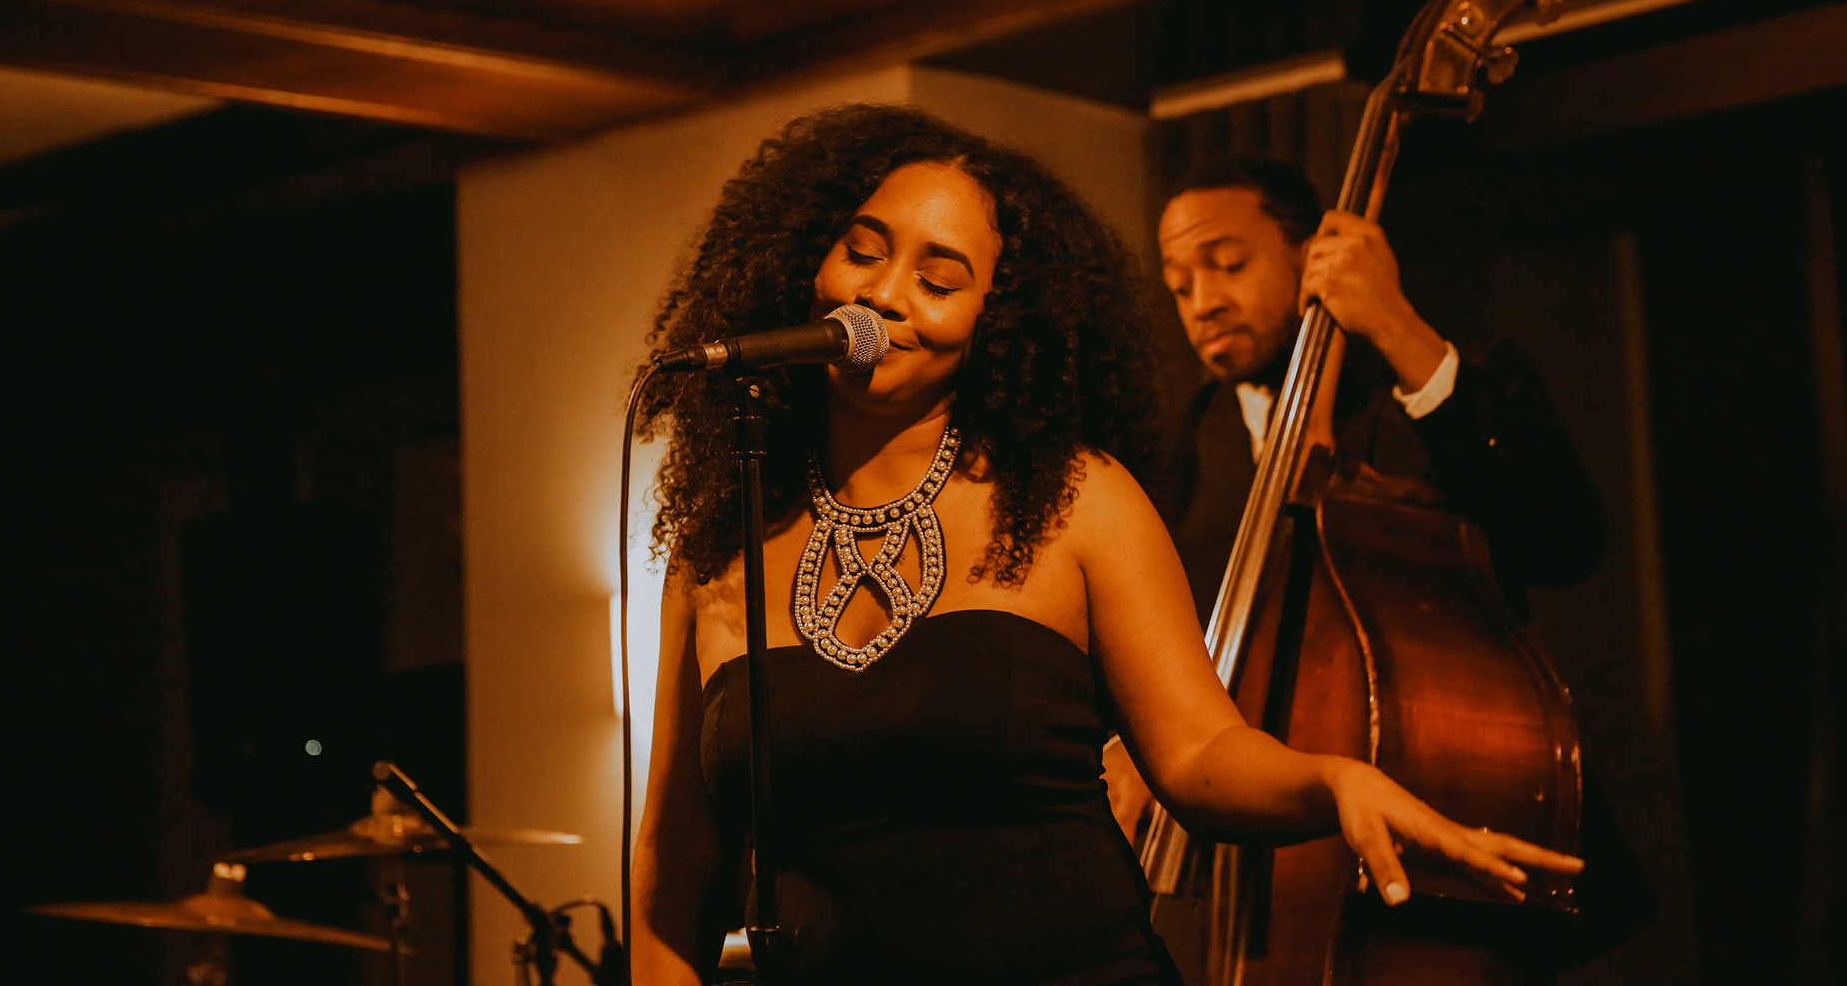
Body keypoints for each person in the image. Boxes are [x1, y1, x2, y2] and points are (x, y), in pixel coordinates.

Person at [630, 106, 1581, 986]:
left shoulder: (1076, 499)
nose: (883, 296)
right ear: (806, 258)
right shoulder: (719, 543)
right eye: (863, 252)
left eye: (939, 278)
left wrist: (1333, 780)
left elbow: (1201, 751)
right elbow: (674, 864)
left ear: (999, 315)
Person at [1110, 156, 1647, 974]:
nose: (1203, 302)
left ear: (1313, 255)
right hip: (1254, 880)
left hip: (1457, 852)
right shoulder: (1170, 452)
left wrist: (1394, 324)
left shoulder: (1442, 383)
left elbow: (1566, 542)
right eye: (1180, 285)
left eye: (1228, 264)